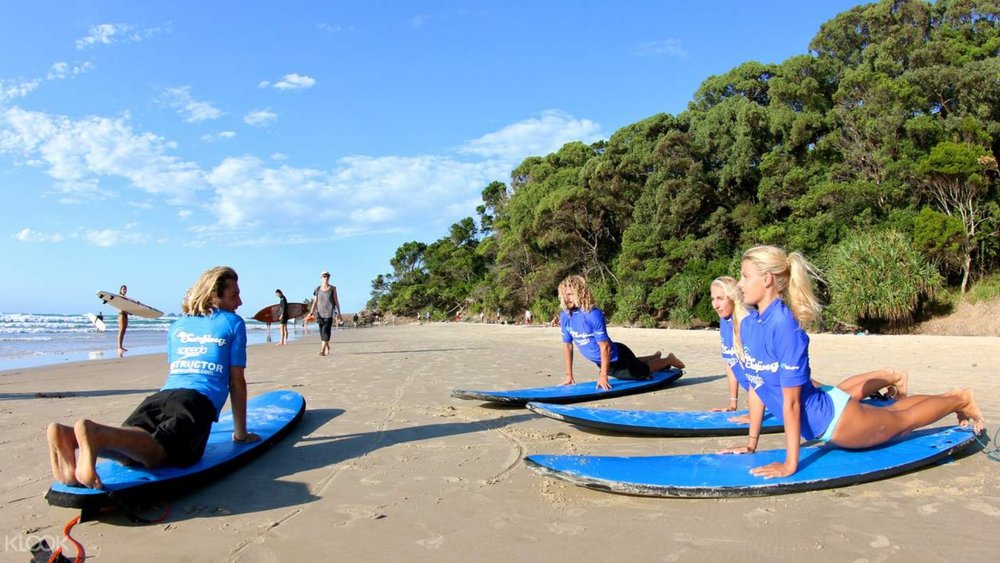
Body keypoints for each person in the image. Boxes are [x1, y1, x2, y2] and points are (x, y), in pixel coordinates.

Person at [720, 245, 984, 479]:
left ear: (767, 279)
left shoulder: (785, 326)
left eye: (745, 276)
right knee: (893, 413)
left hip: (835, 422)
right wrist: (751, 443)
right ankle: (951, 396)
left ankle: (960, 399)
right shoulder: (751, 325)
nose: (740, 285)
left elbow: (792, 402)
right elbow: (757, 386)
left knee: (904, 421)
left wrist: (791, 464)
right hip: (825, 405)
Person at [46, 266, 260, 488]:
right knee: (162, 454)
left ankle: (69, 436)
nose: (240, 302)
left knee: (132, 453)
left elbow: (177, 371)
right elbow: (236, 382)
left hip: (160, 398)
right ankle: (94, 434)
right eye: (234, 295)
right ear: (214, 295)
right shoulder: (233, 323)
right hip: (197, 402)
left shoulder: (178, 326)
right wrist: (240, 434)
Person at [709, 276, 908, 424]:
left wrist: (754, 414)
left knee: (839, 398)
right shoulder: (726, 322)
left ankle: (892, 376)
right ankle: (887, 375)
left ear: (733, 297)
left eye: (720, 298)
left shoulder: (747, 322)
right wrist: (733, 403)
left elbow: (757, 370)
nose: (715, 305)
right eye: (713, 299)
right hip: (773, 391)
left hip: (784, 384)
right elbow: (732, 363)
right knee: (837, 394)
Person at [558, 275, 685, 390]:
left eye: (570, 294)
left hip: (616, 356)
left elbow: (605, 346)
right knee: (633, 364)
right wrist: (569, 375)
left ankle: (668, 360)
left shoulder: (592, 314)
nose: (566, 298)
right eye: (564, 295)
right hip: (604, 360)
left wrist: (603, 375)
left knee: (642, 373)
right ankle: (653, 357)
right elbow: (567, 346)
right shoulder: (565, 316)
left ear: (581, 293)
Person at [308, 271, 340, 356]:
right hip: (319, 313)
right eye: (324, 276)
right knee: (322, 331)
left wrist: (339, 313)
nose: (326, 278)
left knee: (326, 330)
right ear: (321, 278)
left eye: (327, 276)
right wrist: (311, 312)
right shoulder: (317, 289)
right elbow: (315, 301)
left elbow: (336, 301)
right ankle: (327, 346)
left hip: (329, 313)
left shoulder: (333, 288)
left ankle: (322, 350)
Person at [117, 284, 129, 356]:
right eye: (123, 289)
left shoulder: (125, 298)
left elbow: (126, 307)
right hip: (121, 315)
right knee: (121, 331)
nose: (125, 290)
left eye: (125, 289)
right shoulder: (120, 297)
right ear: (120, 290)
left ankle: (121, 347)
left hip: (125, 315)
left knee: (123, 331)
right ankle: (119, 347)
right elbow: (121, 307)